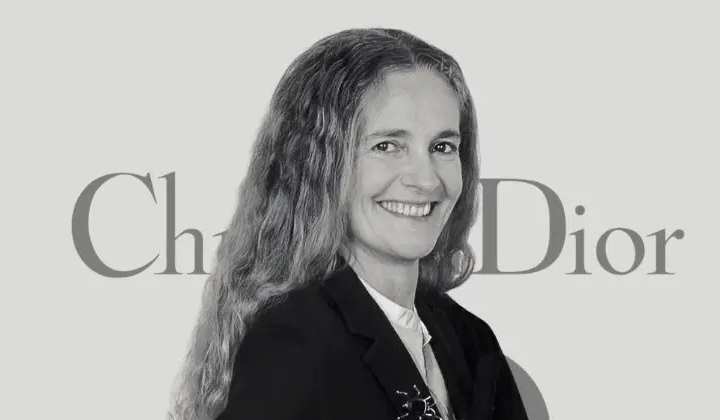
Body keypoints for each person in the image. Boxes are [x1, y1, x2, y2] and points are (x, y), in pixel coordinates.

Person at [168, 28, 529, 420]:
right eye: (387, 146)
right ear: (319, 166)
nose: (426, 180)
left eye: (442, 147)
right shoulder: (294, 346)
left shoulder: (473, 341)